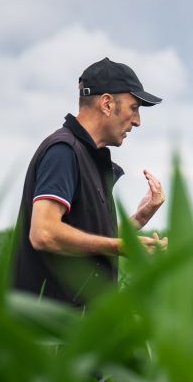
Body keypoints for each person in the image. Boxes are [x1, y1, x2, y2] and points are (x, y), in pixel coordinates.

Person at [12, 57, 167, 307]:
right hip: (49, 333)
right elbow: (44, 233)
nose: (138, 121)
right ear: (106, 103)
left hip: (77, 330)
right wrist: (118, 246)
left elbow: (83, 237)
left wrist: (139, 219)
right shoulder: (63, 151)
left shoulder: (86, 156)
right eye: (134, 107)